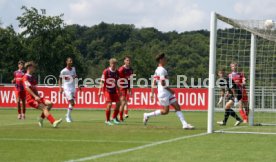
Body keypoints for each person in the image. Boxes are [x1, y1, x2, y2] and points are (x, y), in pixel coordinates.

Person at [143, 53, 194, 129]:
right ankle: (147, 115)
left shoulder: (157, 70)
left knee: (177, 107)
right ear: (161, 60)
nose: (166, 60)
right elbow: (163, 83)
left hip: (165, 93)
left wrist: (152, 93)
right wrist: (171, 90)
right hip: (164, 93)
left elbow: (154, 82)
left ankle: (184, 124)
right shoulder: (162, 70)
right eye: (164, 59)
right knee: (165, 111)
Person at [22, 61, 62, 128]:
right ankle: (53, 122)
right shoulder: (25, 77)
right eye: (33, 67)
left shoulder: (33, 77)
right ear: (29, 68)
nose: (34, 68)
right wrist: (35, 96)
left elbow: (34, 89)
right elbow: (27, 88)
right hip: (30, 99)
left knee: (50, 103)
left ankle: (40, 119)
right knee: (44, 108)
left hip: (36, 97)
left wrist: (38, 96)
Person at [98, 58, 121, 126]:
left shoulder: (117, 72)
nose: (113, 65)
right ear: (110, 64)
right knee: (109, 104)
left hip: (114, 90)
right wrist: (99, 91)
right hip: (107, 90)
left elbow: (116, 82)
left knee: (119, 103)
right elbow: (102, 82)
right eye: (112, 63)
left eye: (115, 64)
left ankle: (113, 118)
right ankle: (107, 120)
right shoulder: (106, 71)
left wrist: (119, 90)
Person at [59, 57, 79, 123]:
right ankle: (67, 116)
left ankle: (68, 115)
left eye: (71, 61)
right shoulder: (63, 71)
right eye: (69, 61)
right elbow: (60, 79)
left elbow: (75, 77)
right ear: (66, 62)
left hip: (73, 88)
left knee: (73, 104)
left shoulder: (73, 69)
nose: (71, 62)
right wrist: (60, 87)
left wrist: (78, 85)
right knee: (71, 102)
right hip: (67, 88)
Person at [118, 56, 133, 121]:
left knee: (124, 102)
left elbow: (130, 80)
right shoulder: (121, 69)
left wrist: (130, 89)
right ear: (124, 61)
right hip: (121, 87)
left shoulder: (131, 69)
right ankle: (120, 117)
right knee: (123, 102)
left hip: (127, 87)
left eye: (129, 60)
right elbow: (117, 78)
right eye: (127, 60)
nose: (128, 62)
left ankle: (120, 116)